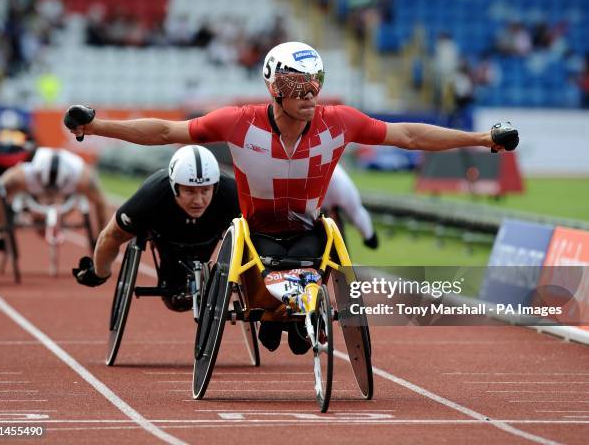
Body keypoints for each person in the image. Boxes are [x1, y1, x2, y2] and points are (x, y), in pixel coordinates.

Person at [63, 41, 519, 352]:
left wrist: (480, 140)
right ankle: (275, 311)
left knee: (302, 320)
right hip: (254, 235)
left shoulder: (340, 122)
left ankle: (297, 313)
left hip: (308, 233)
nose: (309, 95)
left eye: (315, 84)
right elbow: (165, 131)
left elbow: (409, 136)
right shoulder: (237, 122)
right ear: (274, 89)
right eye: (298, 86)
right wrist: (95, 126)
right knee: (269, 314)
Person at [72, 145, 240, 312]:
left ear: (215, 187)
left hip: (210, 235)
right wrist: (99, 273)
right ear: (175, 187)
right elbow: (111, 236)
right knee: (175, 299)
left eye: (205, 191)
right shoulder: (152, 195)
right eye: (189, 191)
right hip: (165, 239)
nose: (198, 200)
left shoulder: (231, 193)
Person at [0, 146, 108, 233]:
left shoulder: (82, 177)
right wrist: (0, 229)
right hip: (37, 193)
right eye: (48, 190)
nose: (51, 196)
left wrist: (100, 235)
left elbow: (101, 203)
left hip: (66, 195)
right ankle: (31, 214)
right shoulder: (22, 175)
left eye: (54, 191)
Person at [321, 164, 378, 249]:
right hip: (338, 186)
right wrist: (369, 236)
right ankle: (369, 237)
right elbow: (357, 212)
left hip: (332, 185)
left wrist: (369, 236)